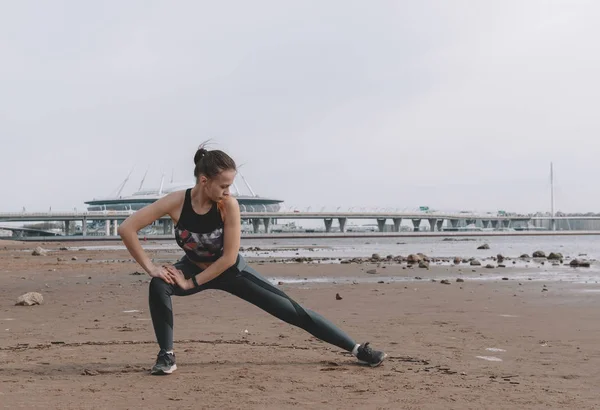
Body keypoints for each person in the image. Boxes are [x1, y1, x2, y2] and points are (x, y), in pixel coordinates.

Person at [118, 144, 387, 375]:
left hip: (231, 271)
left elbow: (228, 258)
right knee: (158, 284)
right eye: (223, 185)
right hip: (192, 267)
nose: (228, 191)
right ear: (204, 181)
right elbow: (127, 228)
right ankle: (166, 356)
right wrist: (152, 268)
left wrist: (190, 283)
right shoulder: (176, 202)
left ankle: (357, 350)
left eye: (230, 185)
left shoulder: (228, 206)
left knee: (292, 311)